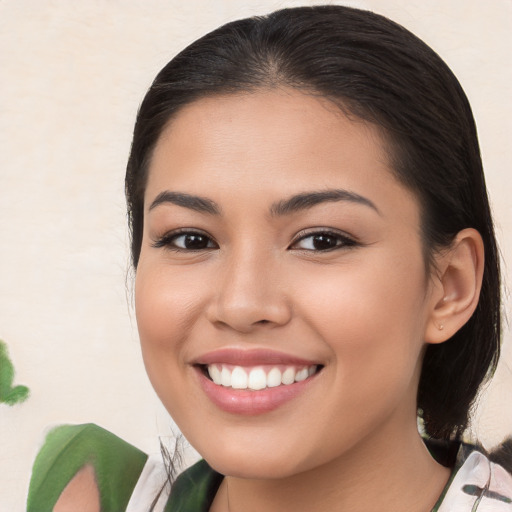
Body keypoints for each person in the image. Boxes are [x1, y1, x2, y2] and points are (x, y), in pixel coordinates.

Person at [27, 4, 511, 511]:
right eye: (192, 240)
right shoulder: (82, 493)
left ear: (449, 287)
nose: (241, 304)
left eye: (322, 240)